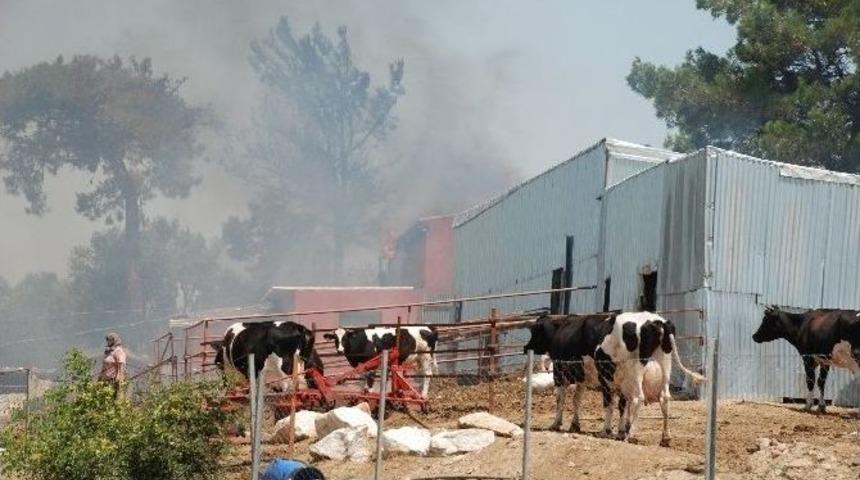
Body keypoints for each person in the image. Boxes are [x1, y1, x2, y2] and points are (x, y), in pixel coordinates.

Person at [99, 332, 127, 400]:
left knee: (111, 398)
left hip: (113, 380)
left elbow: (121, 366)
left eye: (109, 340)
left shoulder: (118, 351)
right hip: (105, 379)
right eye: (107, 340)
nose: (107, 342)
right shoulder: (109, 351)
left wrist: (119, 379)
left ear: (114, 340)